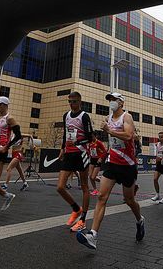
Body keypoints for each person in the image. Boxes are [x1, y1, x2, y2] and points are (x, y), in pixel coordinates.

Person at [77, 92, 144, 250]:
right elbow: (112, 143)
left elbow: (128, 136)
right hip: (112, 163)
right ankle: (93, 234)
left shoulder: (127, 117)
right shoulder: (107, 118)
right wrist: (105, 155)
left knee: (129, 200)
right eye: (110, 100)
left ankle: (140, 219)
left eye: (114, 100)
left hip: (127, 165)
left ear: (121, 103)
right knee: (101, 197)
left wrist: (109, 130)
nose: (111, 102)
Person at [56, 91, 93, 232]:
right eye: (70, 101)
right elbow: (66, 134)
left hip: (82, 153)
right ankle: (76, 209)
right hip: (69, 154)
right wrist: (62, 148)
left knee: (84, 186)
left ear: (80, 102)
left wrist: (77, 141)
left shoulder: (84, 116)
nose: (72, 104)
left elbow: (90, 137)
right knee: (60, 187)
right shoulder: (66, 115)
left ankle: (83, 220)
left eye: (74, 101)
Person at [151, 132, 163, 202]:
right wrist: (157, 158)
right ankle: (157, 195)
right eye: (159, 137)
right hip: (158, 164)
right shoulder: (157, 144)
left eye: (161, 137)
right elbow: (157, 153)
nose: (160, 138)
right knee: (155, 179)